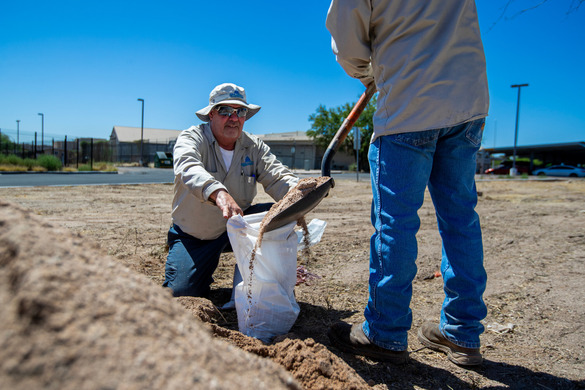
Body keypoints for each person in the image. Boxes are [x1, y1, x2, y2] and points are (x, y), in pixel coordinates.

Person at [325, 0, 489, 366]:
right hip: (467, 102)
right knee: (461, 220)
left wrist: (367, 73)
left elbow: (348, 44)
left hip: (409, 104)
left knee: (395, 224)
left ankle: (385, 332)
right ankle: (463, 333)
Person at [163, 83, 298, 298]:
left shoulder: (254, 146)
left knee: (280, 213)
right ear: (211, 115)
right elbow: (187, 167)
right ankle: (197, 270)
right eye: (225, 111)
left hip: (237, 226)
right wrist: (218, 192)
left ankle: (266, 280)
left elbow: (277, 176)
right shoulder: (192, 138)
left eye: (240, 112)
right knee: (182, 294)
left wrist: (301, 193)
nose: (234, 118)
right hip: (195, 236)